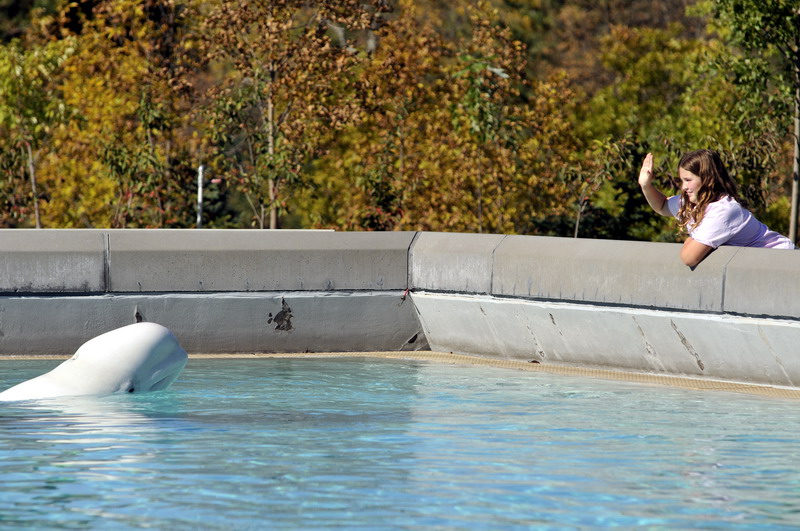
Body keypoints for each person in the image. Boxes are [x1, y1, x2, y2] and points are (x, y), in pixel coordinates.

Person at [638, 149, 795, 267]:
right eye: (682, 180)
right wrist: (645, 185)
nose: (684, 187)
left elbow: (689, 257)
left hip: (784, 263)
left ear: (707, 179)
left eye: (688, 180)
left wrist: (692, 238)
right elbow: (662, 206)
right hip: (758, 265)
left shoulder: (724, 211)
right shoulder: (695, 201)